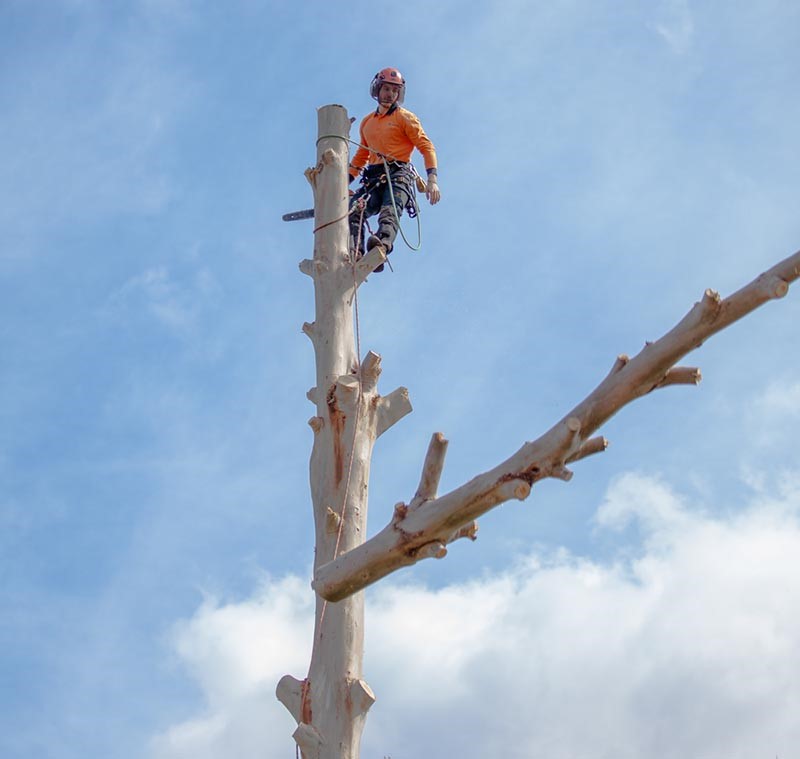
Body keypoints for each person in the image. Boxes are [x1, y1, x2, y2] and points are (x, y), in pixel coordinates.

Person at [348, 67, 441, 271]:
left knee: (389, 212)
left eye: (394, 90)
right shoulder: (367, 123)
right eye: (386, 89)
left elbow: (426, 147)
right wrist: (344, 181)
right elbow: (361, 156)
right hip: (373, 178)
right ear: (378, 90)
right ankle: (355, 253)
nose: (390, 94)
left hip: (398, 175)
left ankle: (381, 247)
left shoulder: (404, 118)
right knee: (354, 210)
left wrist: (432, 179)